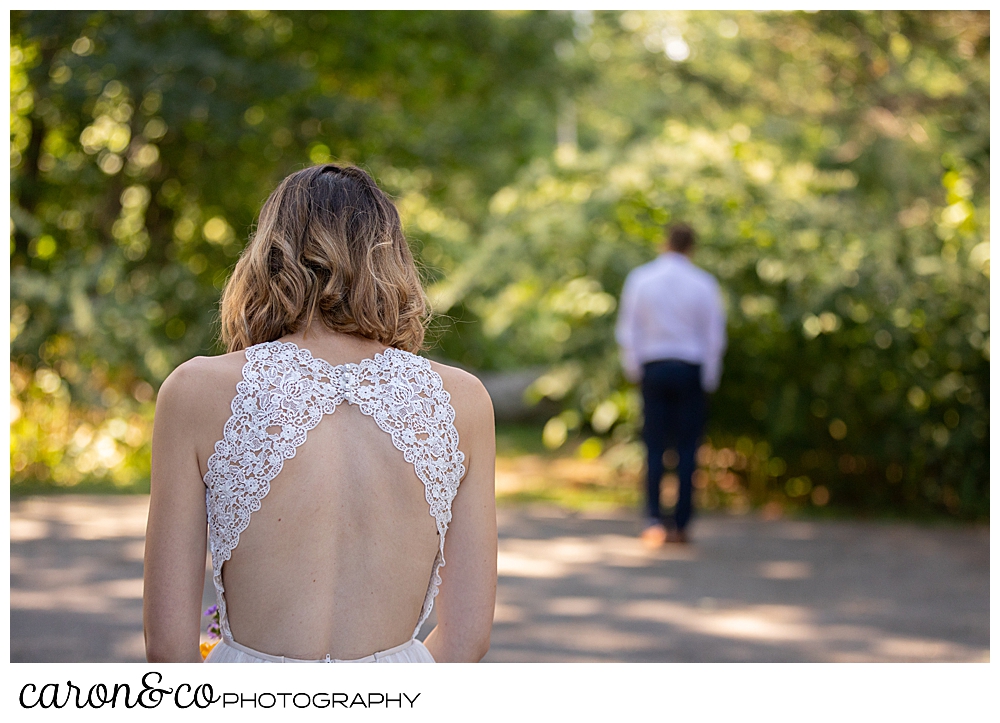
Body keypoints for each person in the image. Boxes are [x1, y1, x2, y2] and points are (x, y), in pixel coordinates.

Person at [143, 164, 497, 663]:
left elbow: (168, 648)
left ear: (268, 255)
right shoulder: (464, 400)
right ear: (391, 260)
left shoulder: (195, 390)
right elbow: (466, 639)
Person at [615, 223, 726, 546]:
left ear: (665, 243)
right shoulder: (704, 283)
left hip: (654, 367)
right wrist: (709, 377)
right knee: (688, 447)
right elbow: (713, 335)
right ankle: (681, 524)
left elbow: (628, 329)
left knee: (654, 445)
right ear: (692, 247)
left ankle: (653, 519)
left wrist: (635, 369)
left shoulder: (641, 279)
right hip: (690, 369)